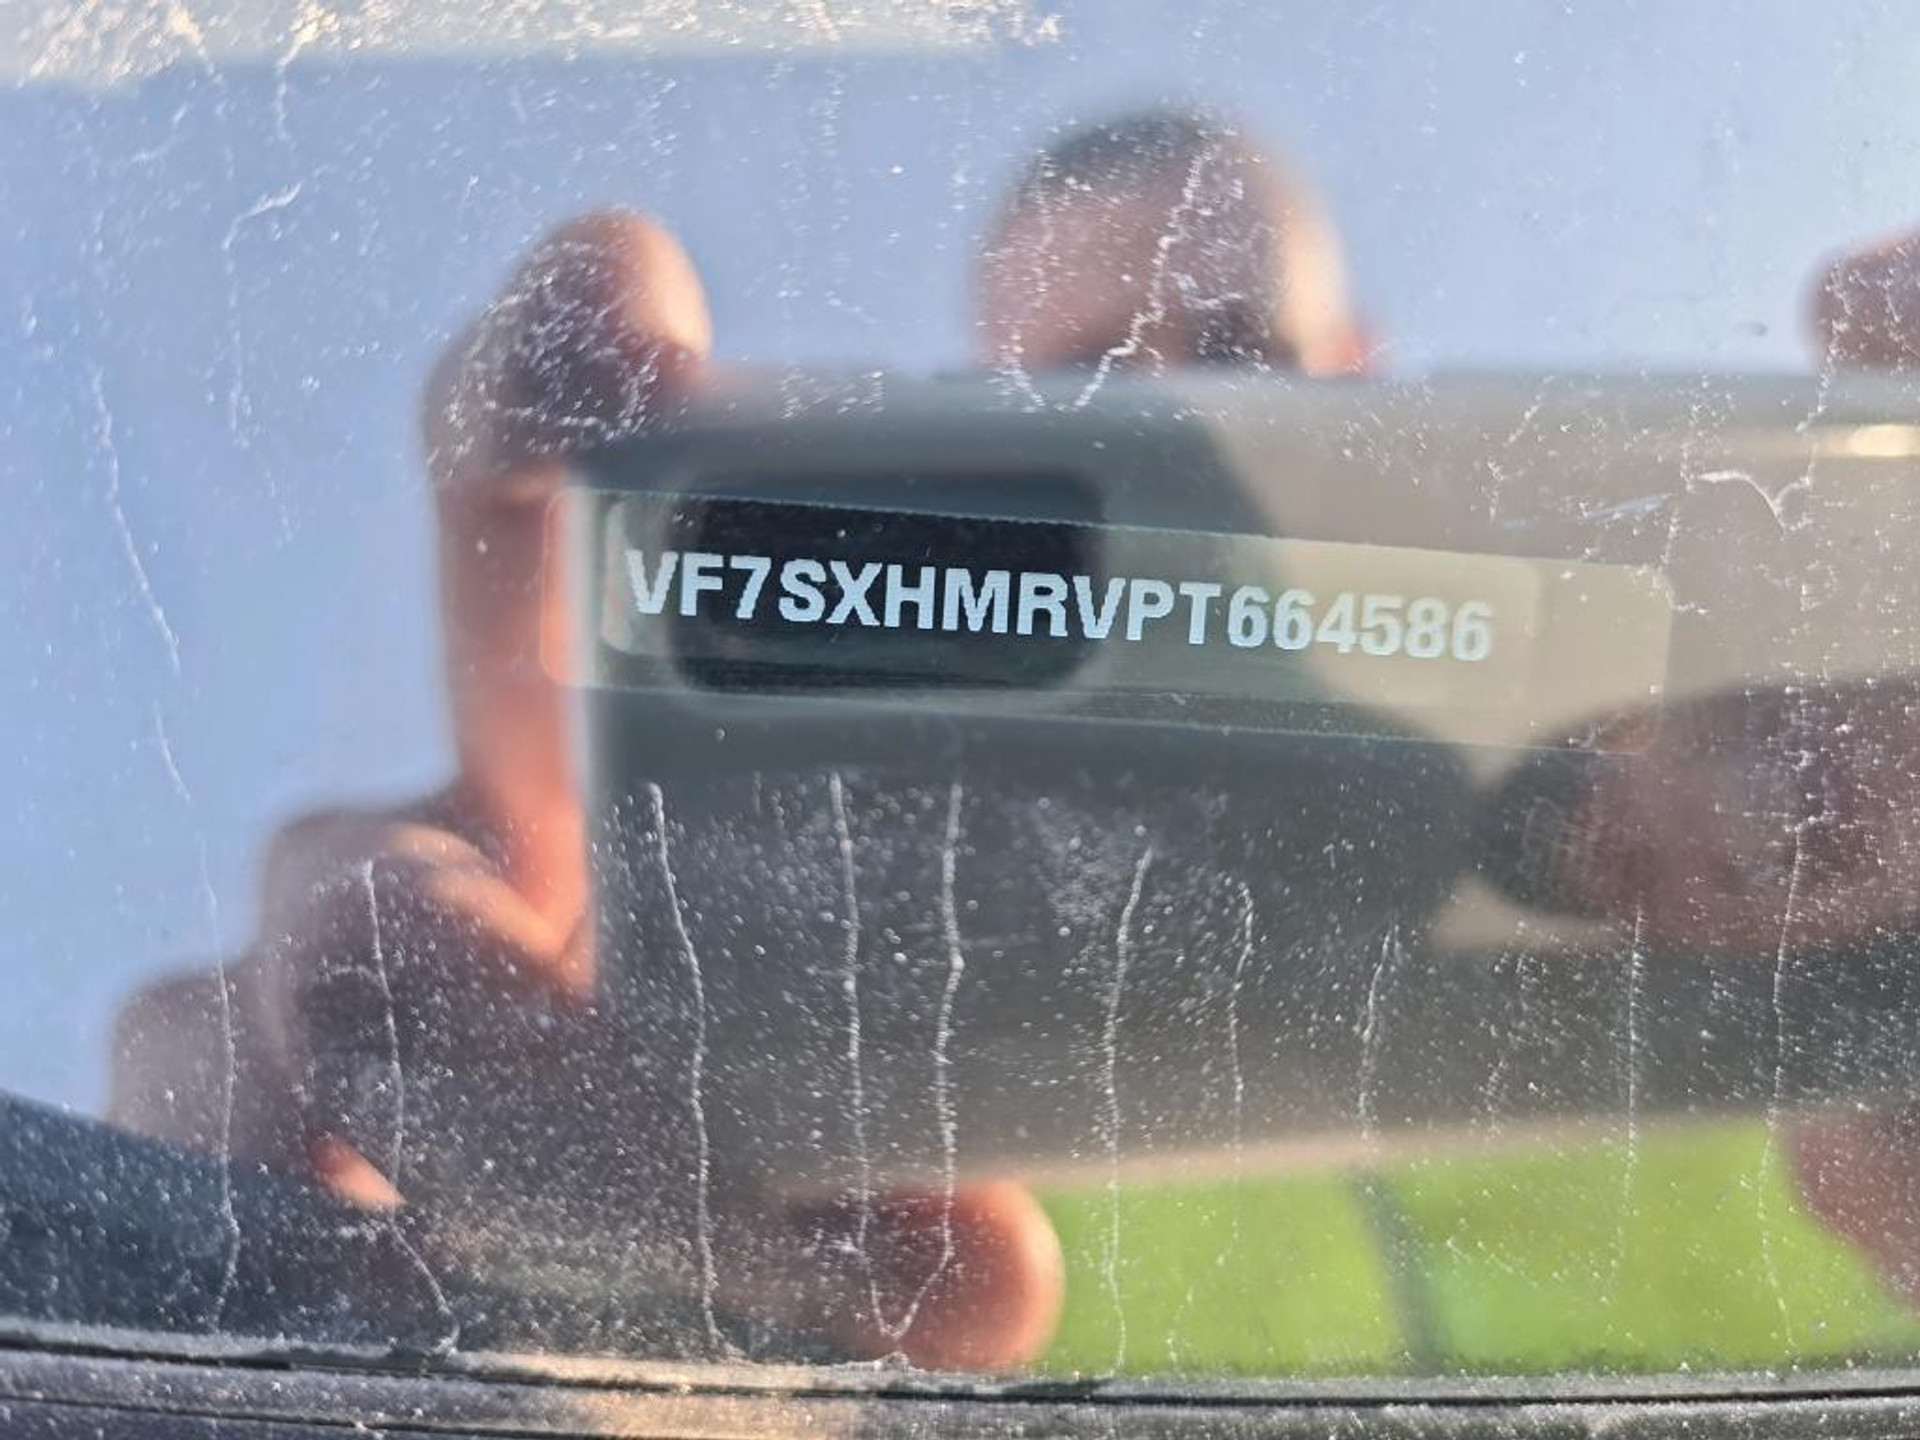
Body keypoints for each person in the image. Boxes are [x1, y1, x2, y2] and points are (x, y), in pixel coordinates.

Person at [103, 106, 1920, 1368]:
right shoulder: (901, 1043)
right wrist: (317, 1301)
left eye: (1229, 355)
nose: (1170, 431)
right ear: (976, 457)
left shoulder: (1800, 849)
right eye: (1081, 398)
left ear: (1364, 382)